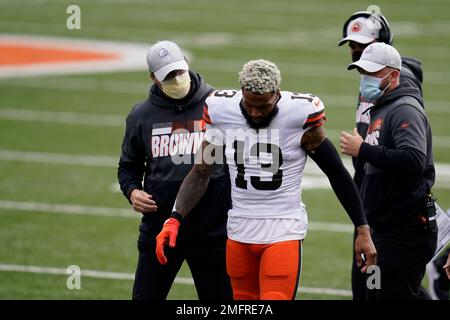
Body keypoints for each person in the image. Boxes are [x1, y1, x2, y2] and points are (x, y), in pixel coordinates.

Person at [155, 59, 377, 300]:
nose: (256, 113)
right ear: (241, 94)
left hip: (282, 230)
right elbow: (201, 172)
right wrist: (174, 219)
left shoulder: (299, 116)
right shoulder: (221, 111)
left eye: (264, 106)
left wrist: (362, 228)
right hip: (238, 230)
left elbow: (336, 173)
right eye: (250, 105)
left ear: (277, 95)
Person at [117, 40, 232, 300]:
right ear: (153, 78)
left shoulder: (220, 106)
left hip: (212, 231)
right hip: (160, 230)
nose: (176, 78)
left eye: (178, 71)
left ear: (187, 65)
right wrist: (132, 191)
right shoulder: (141, 115)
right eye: (168, 75)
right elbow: (128, 167)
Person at [338, 10, 426, 300]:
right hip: (372, 210)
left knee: (383, 289)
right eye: (353, 47)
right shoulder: (377, 90)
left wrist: (363, 149)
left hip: (395, 220)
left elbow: (413, 158)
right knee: (373, 288)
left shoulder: (401, 99)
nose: (357, 53)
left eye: (364, 47)